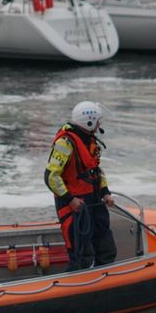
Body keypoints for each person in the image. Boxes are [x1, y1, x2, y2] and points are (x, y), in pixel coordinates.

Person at [45, 101, 117, 271]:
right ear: (89, 121)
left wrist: (105, 192)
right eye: (98, 120)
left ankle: (105, 281)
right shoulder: (65, 143)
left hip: (94, 201)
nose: (100, 123)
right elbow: (51, 176)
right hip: (75, 206)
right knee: (81, 254)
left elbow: (96, 170)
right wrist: (70, 199)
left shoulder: (90, 141)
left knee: (106, 249)